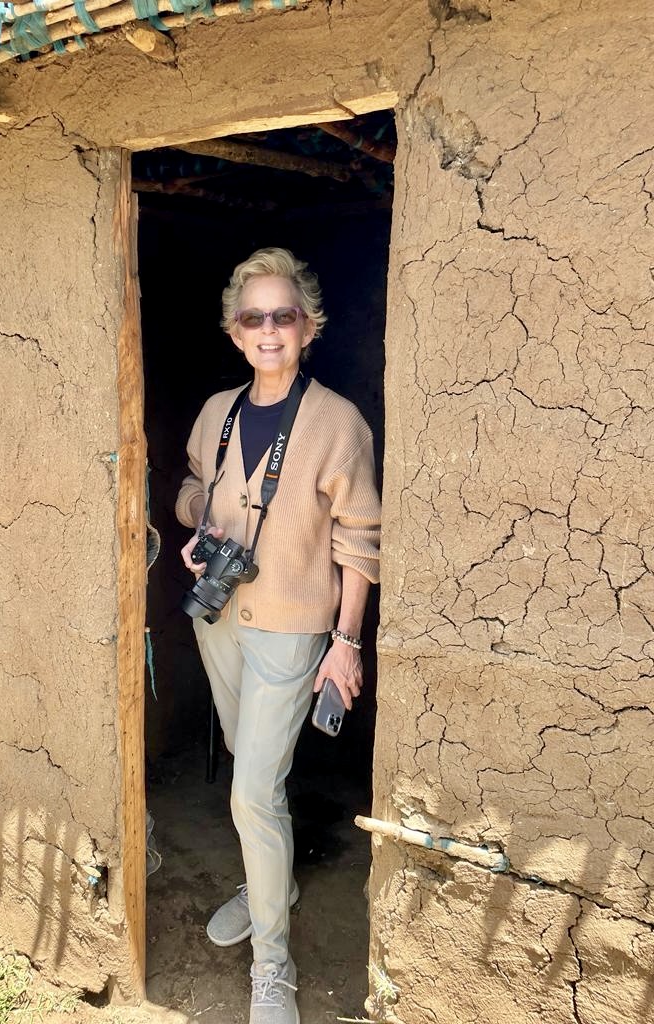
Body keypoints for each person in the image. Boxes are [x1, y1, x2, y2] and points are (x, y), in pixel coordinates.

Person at [176, 247, 381, 1024]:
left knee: (255, 791)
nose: (269, 330)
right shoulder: (217, 413)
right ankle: (274, 882)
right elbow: (192, 488)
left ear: (309, 326)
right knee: (248, 771)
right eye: (254, 317)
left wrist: (347, 641)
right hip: (220, 621)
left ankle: (274, 966)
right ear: (235, 331)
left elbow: (359, 541)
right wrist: (201, 528)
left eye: (283, 315)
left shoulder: (337, 423)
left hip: (295, 631)